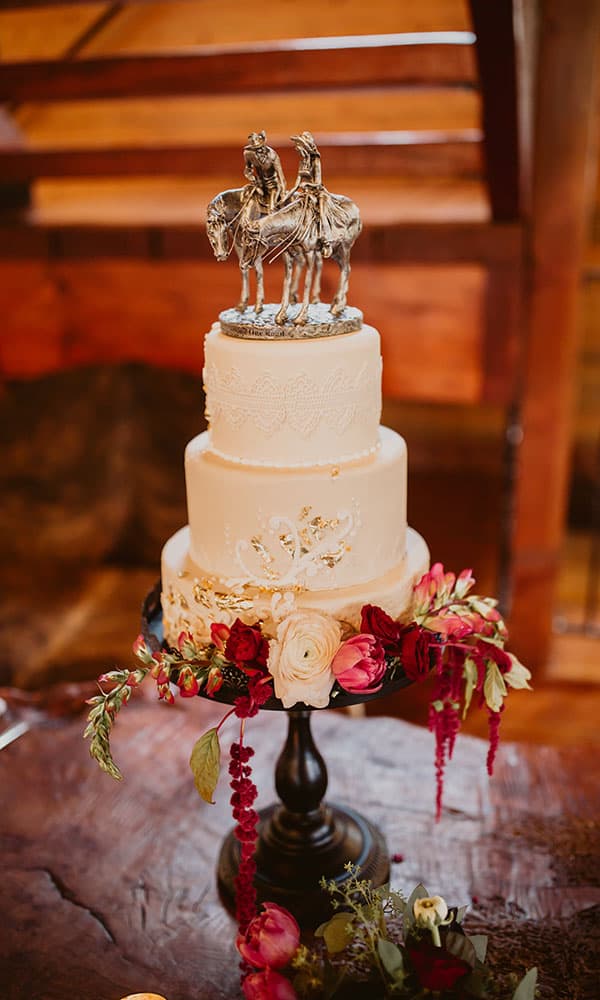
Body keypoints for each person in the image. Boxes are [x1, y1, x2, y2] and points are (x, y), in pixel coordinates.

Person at [290, 131, 333, 257]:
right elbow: (297, 183)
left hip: (317, 193)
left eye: (300, 148)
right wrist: (287, 196)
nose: (298, 151)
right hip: (304, 193)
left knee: (322, 211)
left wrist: (307, 185)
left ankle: (326, 240)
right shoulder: (302, 163)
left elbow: (318, 182)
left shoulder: (315, 160)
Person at [243, 131, 287, 212]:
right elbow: (248, 169)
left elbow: (281, 177)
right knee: (245, 200)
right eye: (255, 148)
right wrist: (250, 177)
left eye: (259, 147)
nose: (257, 150)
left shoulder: (273, 156)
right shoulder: (248, 154)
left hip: (272, 185)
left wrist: (283, 192)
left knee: (272, 208)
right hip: (258, 184)